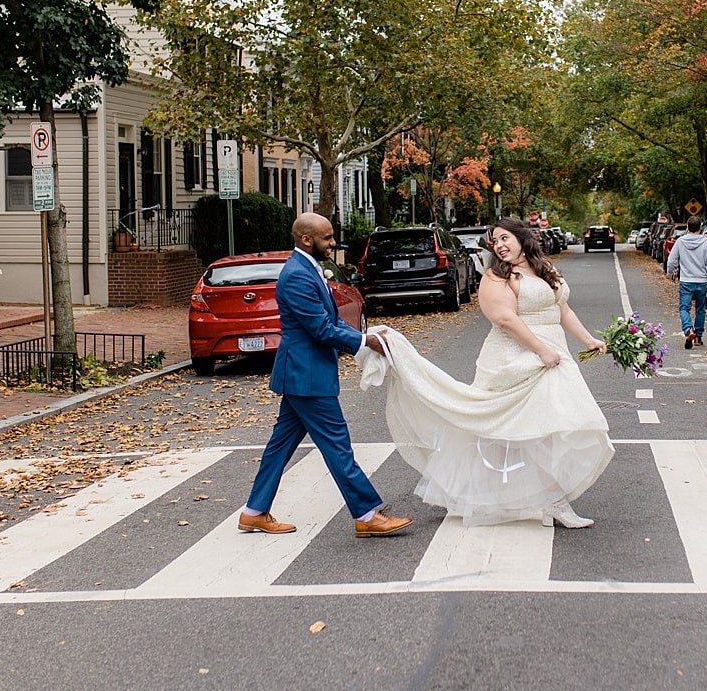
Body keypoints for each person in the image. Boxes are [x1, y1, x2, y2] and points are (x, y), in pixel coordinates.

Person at [358, 217, 614, 528]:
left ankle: (552, 502)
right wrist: (541, 350)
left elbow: (562, 310)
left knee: (555, 427)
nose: (500, 245)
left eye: (506, 238)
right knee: (508, 434)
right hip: (517, 359)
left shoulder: (546, 269)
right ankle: (532, 501)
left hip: (553, 357)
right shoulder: (496, 277)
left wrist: (589, 340)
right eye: (496, 241)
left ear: (524, 238)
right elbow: (505, 319)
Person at [239, 212, 412, 539]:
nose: (333, 243)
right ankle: (366, 514)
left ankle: (254, 511)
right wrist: (364, 341)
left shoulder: (306, 267)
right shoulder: (296, 275)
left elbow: (324, 321)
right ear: (307, 239)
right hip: (307, 375)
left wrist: (362, 338)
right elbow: (320, 327)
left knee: (280, 446)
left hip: (301, 372)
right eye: (328, 237)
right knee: (337, 445)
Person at [666, 216, 707, 349]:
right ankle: (698, 337)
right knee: (700, 309)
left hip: (686, 281)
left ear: (687, 227)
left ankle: (688, 330)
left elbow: (671, 260)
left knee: (684, 308)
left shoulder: (681, 242)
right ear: (700, 227)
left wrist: (670, 273)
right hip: (702, 281)